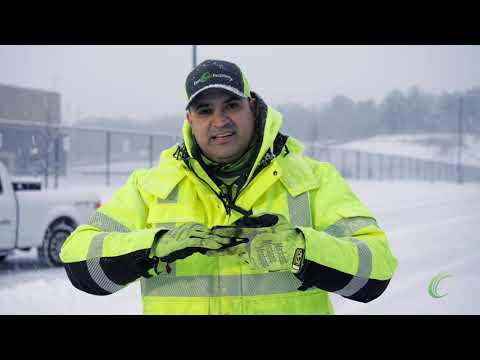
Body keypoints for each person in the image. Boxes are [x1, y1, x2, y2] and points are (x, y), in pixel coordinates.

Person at [60, 59, 398, 315]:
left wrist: (301, 249)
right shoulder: (151, 187)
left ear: (251, 107)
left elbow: (375, 271)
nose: (219, 121)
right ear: (190, 120)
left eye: (231, 106)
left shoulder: (312, 179)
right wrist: (152, 246)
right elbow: (80, 262)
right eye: (205, 110)